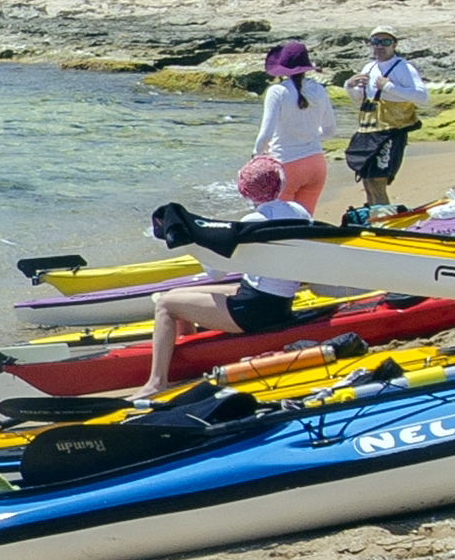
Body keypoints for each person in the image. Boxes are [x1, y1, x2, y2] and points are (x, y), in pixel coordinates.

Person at [130, 250, 321, 400]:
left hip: (254, 312)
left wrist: (195, 246)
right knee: (172, 294)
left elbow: (216, 272)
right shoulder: (295, 212)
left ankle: (157, 382)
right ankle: (186, 367)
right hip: (274, 302)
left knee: (165, 305)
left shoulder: (253, 221)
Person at [341, 29, 427, 217]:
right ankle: (375, 220)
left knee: (377, 181)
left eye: (386, 42)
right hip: (367, 130)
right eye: (376, 41)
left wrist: (388, 86)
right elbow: (359, 100)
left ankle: (384, 223)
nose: (380, 46)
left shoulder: (403, 67)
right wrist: (350, 86)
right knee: (367, 181)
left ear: (394, 45)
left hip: (390, 132)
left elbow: (421, 96)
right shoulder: (368, 68)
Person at [247, 41, 336, 213]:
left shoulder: (277, 92)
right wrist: (308, 136)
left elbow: (266, 134)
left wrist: (256, 156)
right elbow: (330, 131)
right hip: (316, 164)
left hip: (286, 164)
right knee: (305, 219)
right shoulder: (318, 90)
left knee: (280, 220)